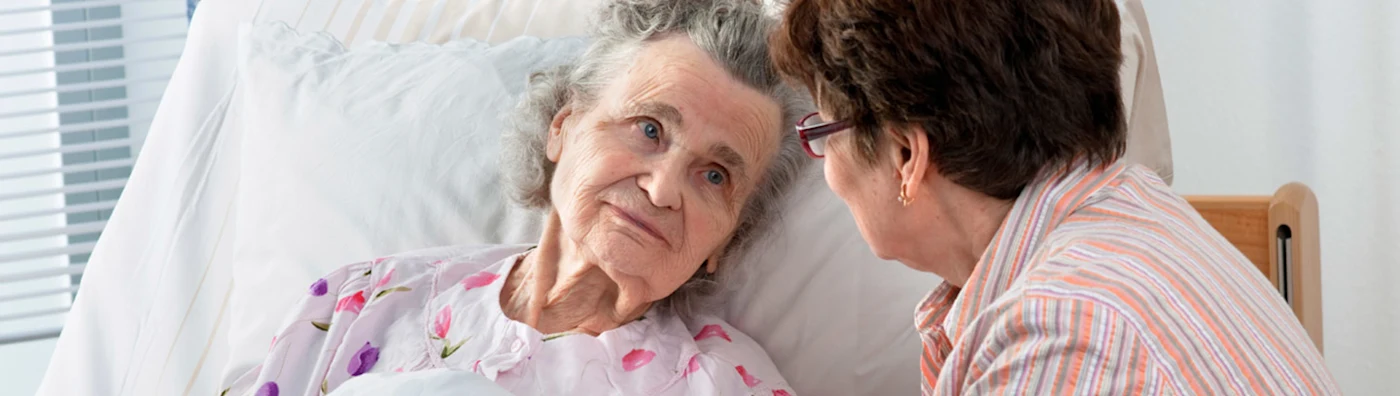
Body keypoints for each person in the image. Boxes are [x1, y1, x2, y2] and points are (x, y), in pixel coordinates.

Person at [222, 0, 807, 394]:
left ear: (726, 239)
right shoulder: (361, 302)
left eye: (715, 177)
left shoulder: (727, 382)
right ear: (564, 126)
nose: (662, 189)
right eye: (649, 129)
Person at [767, 0, 1339, 394]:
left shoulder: (1064, 331)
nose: (831, 175)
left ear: (906, 158)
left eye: (823, 131)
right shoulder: (1128, 203)